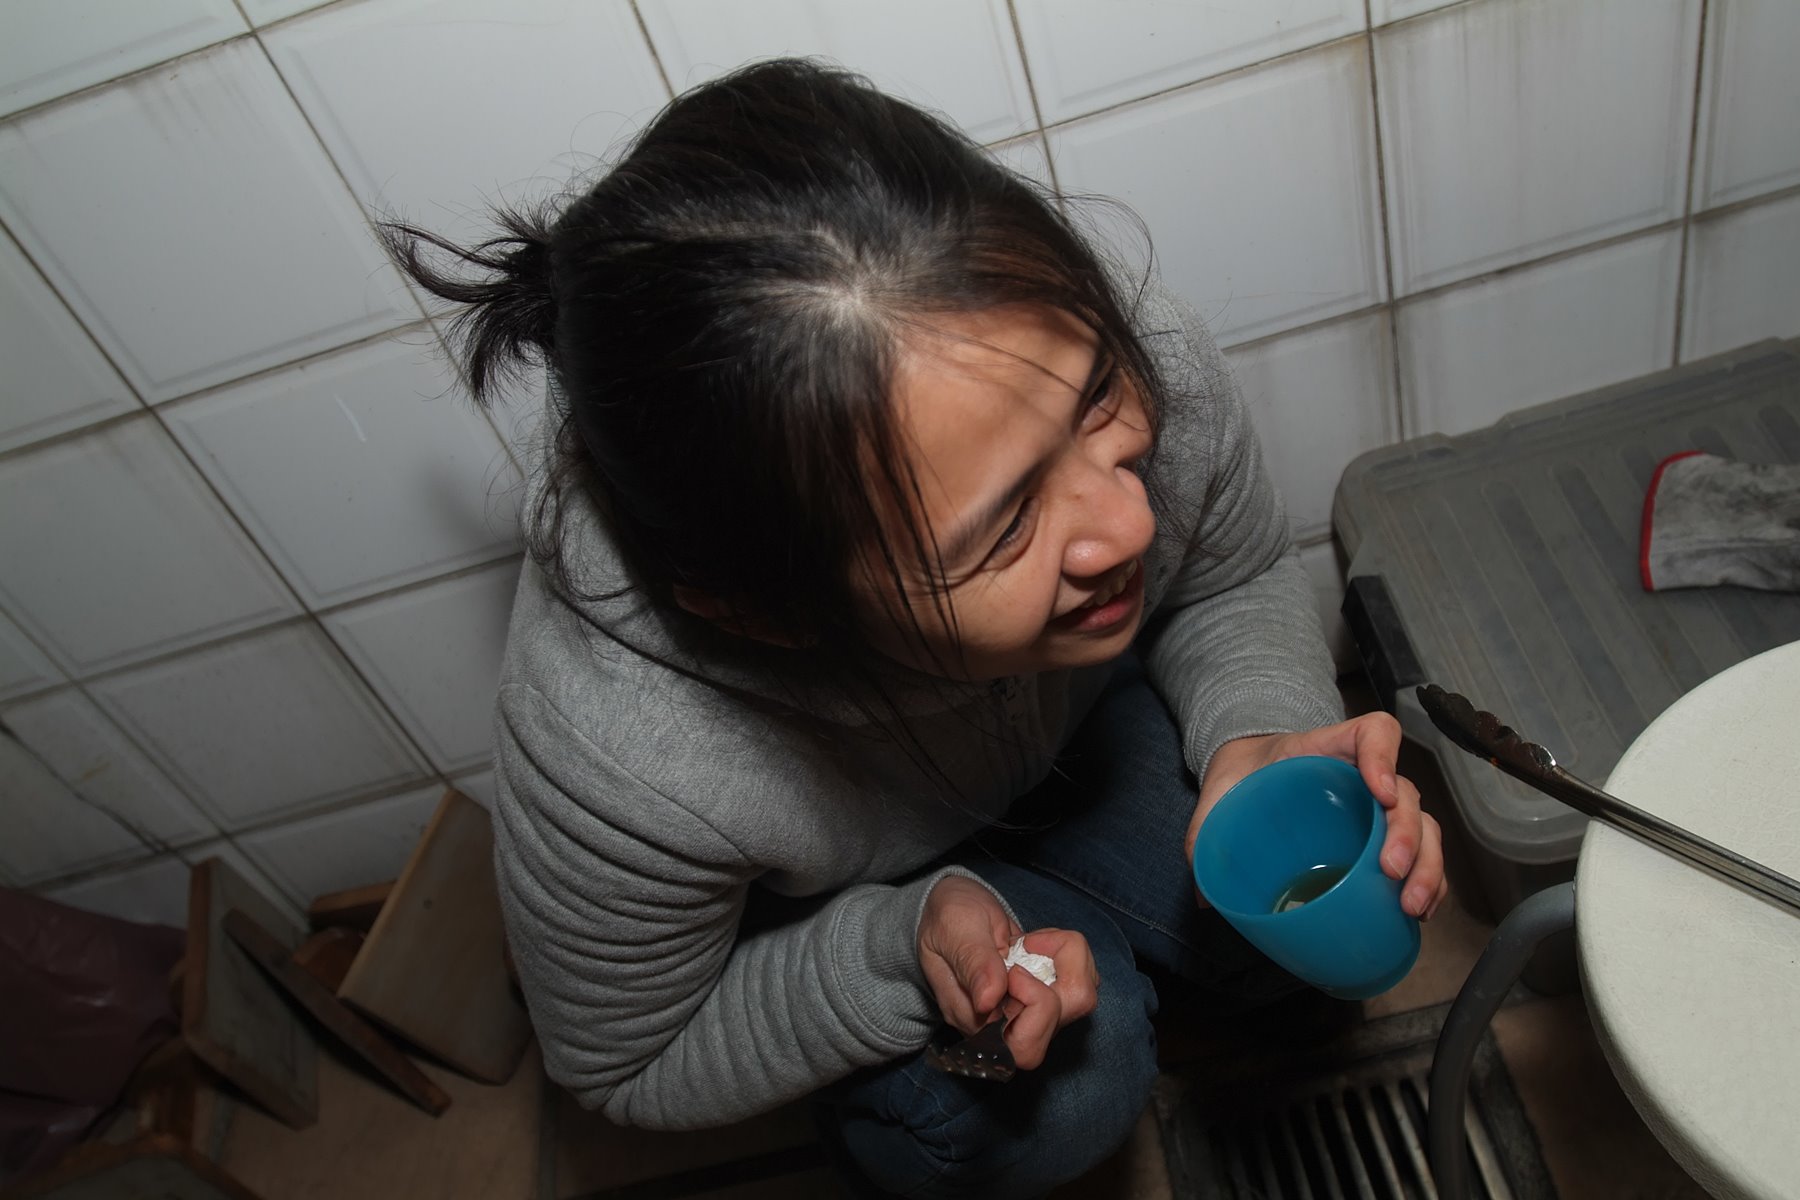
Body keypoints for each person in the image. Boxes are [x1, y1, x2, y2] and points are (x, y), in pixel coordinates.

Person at [384, 58, 1447, 1199]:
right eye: (1006, 526)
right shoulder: (615, 745)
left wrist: (1260, 734)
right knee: (1066, 1091)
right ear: (762, 610)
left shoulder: (1070, 341)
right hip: (841, 911)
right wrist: (891, 952)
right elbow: (627, 1059)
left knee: (1293, 921)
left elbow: (1230, 573)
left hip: (1069, 749)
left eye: (1096, 401)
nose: (1129, 518)